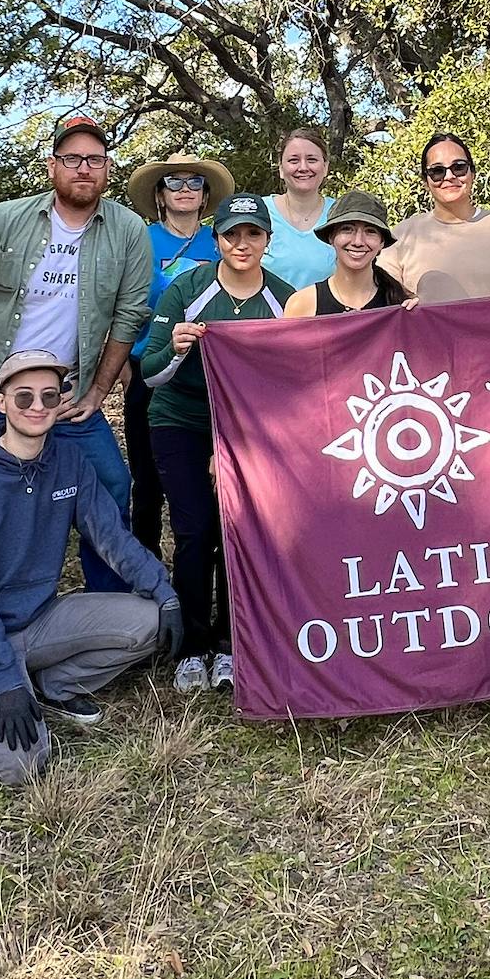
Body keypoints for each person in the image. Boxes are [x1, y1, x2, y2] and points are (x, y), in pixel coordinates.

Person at [0, 351, 184, 785]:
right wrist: (6, 682)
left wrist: (165, 592)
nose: (37, 407)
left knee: (149, 619)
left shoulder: (68, 462)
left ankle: (55, 684)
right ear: (1, 402)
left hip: (39, 621)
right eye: (24, 396)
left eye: (49, 396)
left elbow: (111, 538)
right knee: (19, 767)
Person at [0, 114, 152, 593]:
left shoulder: (128, 231)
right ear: (52, 166)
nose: (84, 168)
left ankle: (109, 608)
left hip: (67, 396)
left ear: (107, 168)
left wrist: (99, 389)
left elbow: (128, 314)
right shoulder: (4, 220)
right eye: (72, 159)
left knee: (111, 485)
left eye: (95, 160)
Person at [138, 193, 296, 692]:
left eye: (253, 234)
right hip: (181, 420)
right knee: (194, 531)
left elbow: (291, 381)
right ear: (216, 238)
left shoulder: (284, 298)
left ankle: (230, 644)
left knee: (238, 530)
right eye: (232, 234)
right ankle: (192, 646)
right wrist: (177, 347)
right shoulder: (188, 287)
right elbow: (151, 374)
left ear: (267, 240)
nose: (242, 243)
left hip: (247, 429)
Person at [120, 150, 234, 560]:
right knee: (146, 480)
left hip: (213, 375)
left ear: (205, 197)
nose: (185, 190)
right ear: (160, 194)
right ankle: (146, 571)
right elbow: (123, 302)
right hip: (149, 366)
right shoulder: (141, 240)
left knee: (211, 482)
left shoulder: (222, 239)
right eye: (175, 183)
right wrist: (120, 365)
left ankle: (216, 571)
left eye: (195, 183)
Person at [378, 133, 490, 303]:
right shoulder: (402, 234)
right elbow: (382, 299)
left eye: (458, 167)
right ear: (425, 181)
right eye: (437, 171)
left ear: (472, 173)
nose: (449, 177)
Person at [283, 190, 411, 316]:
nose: (358, 241)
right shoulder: (303, 305)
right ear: (331, 237)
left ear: (381, 242)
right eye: (347, 229)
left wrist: (418, 316)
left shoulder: (400, 303)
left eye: (370, 231)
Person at [259, 127, 338, 291]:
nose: (303, 167)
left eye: (312, 159)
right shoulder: (259, 211)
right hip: (267, 315)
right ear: (281, 169)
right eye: (294, 160)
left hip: (326, 316)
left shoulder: (340, 214)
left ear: (325, 167)